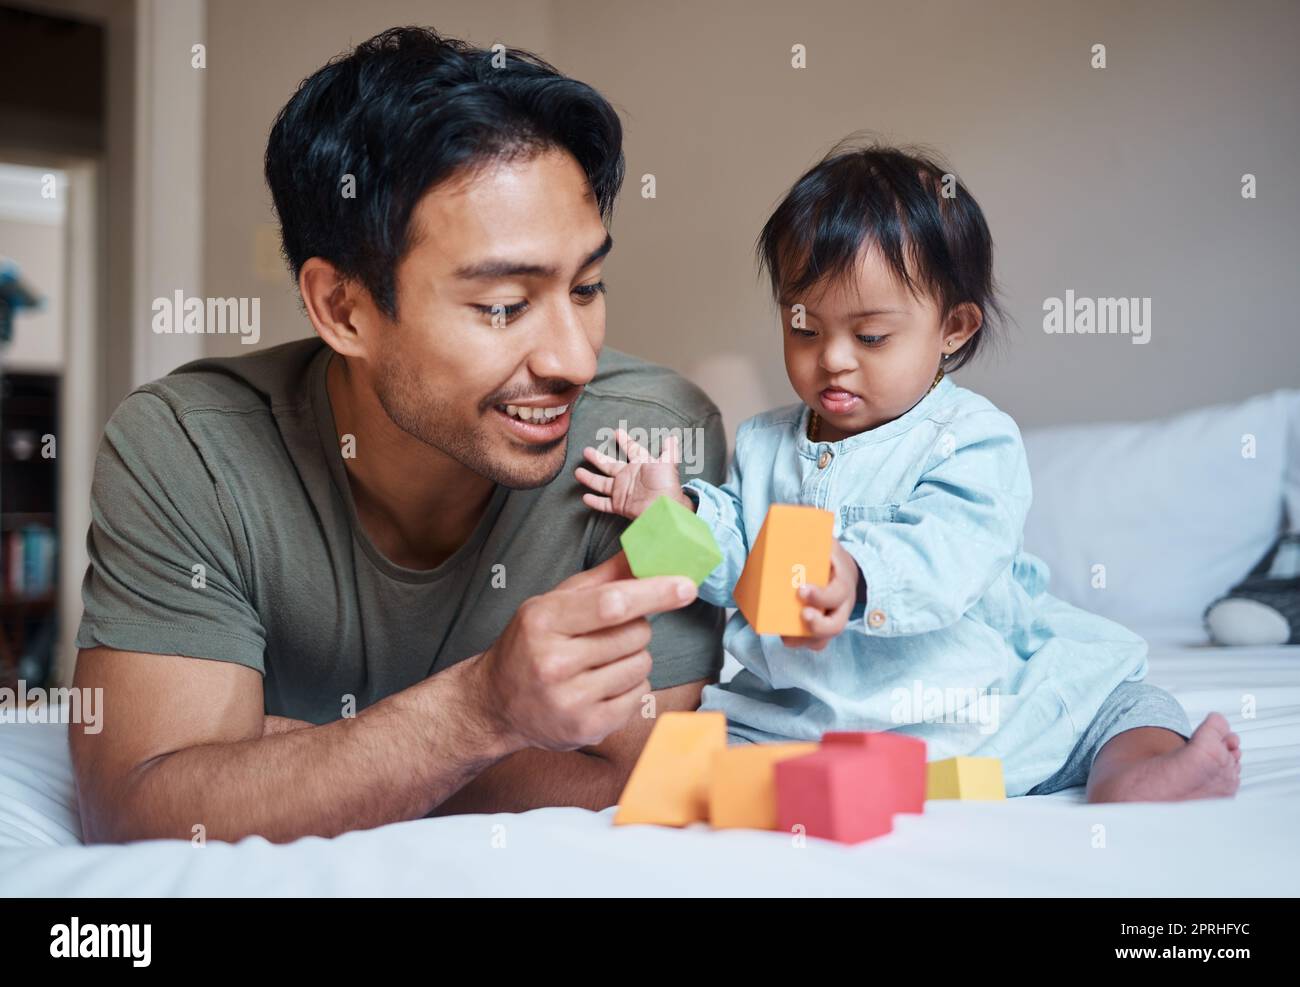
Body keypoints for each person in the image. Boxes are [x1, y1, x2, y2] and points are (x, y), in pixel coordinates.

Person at [70, 26, 727, 844]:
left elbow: (648, 778)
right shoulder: (187, 451)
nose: (573, 359)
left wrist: (292, 757)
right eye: (502, 306)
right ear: (343, 308)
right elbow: (141, 808)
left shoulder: (651, 444)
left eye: (587, 285)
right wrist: (482, 709)